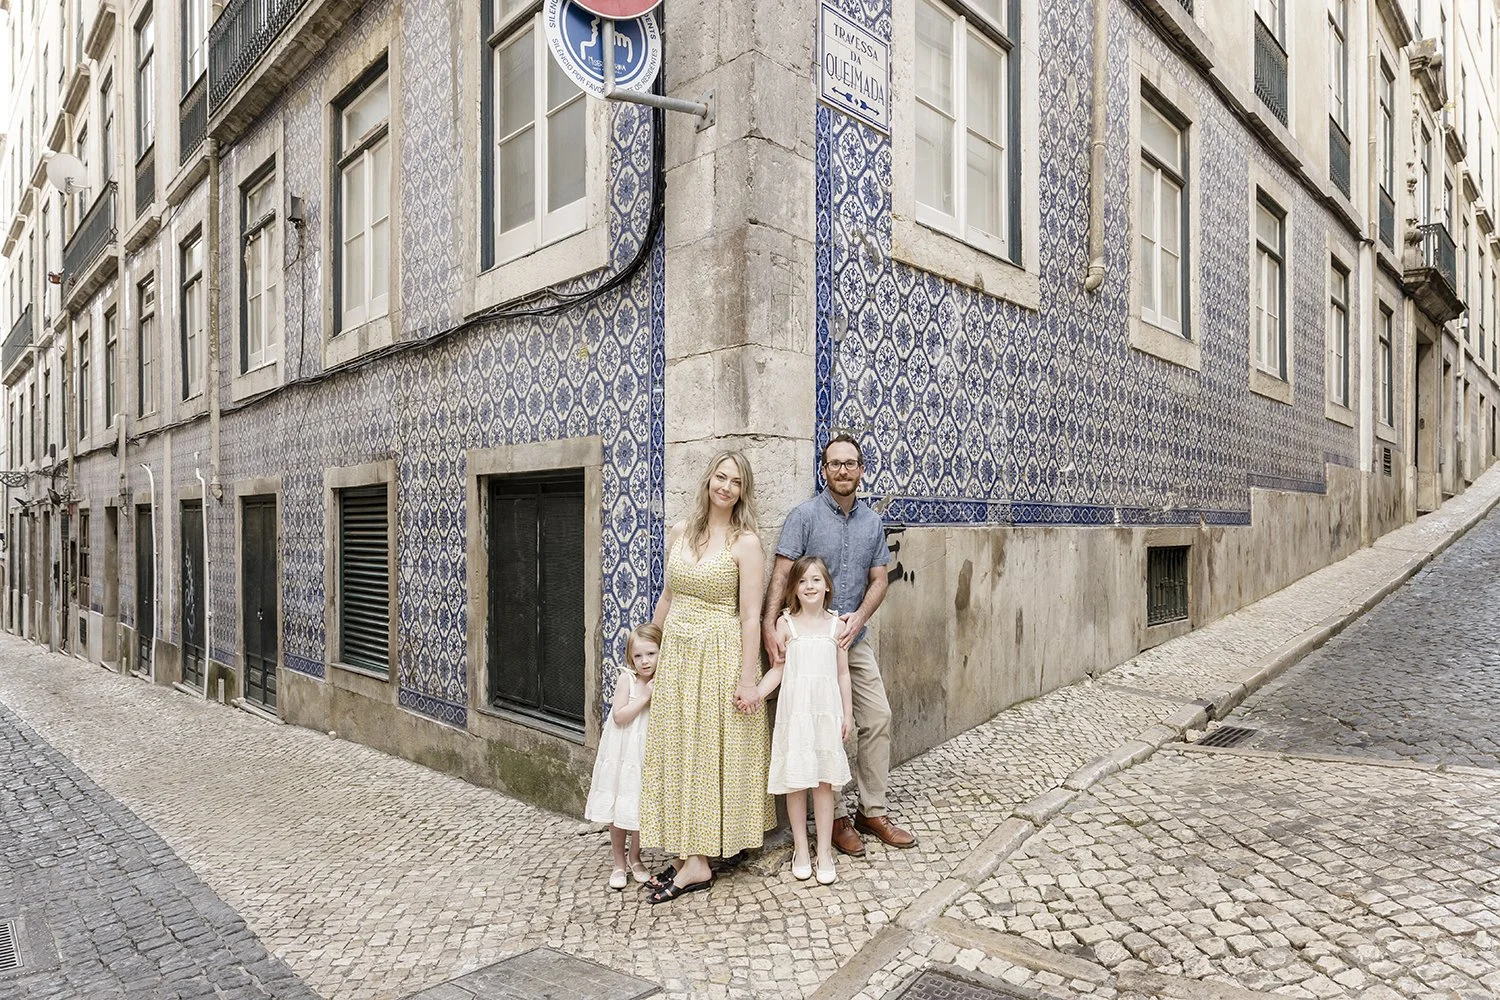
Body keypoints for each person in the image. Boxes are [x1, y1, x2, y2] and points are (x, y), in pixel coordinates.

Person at [764, 434, 918, 856]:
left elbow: (879, 579)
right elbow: (781, 575)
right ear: (824, 470)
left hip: (852, 639)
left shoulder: (872, 523)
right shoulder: (804, 517)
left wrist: (859, 618)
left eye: (850, 463)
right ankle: (832, 819)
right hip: (808, 645)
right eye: (835, 463)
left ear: (861, 470)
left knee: (878, 717)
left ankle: (872, 811)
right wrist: (768, 625)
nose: (843, 470)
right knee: (817, 725)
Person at [638, 451, 775, 903]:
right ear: (708, 480)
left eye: (736, 481)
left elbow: (750, 616)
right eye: (721, 477)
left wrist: (747, 680)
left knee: (706, 755)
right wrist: (647, 649)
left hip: (719, 656)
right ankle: (685, 854)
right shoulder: (681, 531)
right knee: (678, 750)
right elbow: (667, 596)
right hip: (678, 654)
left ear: (743, 491)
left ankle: (698, 862)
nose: (726, 487)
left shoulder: (746, 543)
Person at [755, 556, 853, 885]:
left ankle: (824, 851)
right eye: (802, 581)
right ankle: (800, 848)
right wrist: (756, 693)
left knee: (824, 784)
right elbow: (778, 670)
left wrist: (847, 713)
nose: (809, 586)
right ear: (794, 589)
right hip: (795, 714)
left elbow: (843, 674)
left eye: (815, 580)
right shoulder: (786, 625)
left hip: (825, 714)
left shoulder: (837, 627)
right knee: (796, 783)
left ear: (827, 587)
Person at [583, 623, 661, 890]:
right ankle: (619, 863)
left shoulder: (662, 680)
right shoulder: (627, 679)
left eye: (651, 654)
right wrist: (645, 697)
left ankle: (635, 857)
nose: (644, 661)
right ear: (630, 657)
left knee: (639, 806)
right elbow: (619, 716)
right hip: (622, 753)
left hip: (645, 754)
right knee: (619, 806)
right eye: (638, 655)